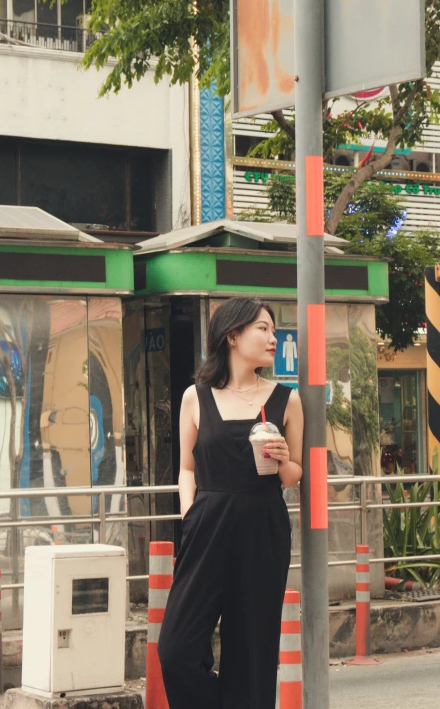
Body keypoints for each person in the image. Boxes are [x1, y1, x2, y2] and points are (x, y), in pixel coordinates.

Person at [158, 297, 304, 709]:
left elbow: (296, 474)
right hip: (205, 525)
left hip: (262, 528)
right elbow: (187, 469)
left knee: (252, 653)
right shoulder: (195, 397)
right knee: (176, 649)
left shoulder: (286, 400)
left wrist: (281, 460)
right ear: (233, 335)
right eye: (264, 328)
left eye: (274, 330)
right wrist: (190, 514)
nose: (274, 338)